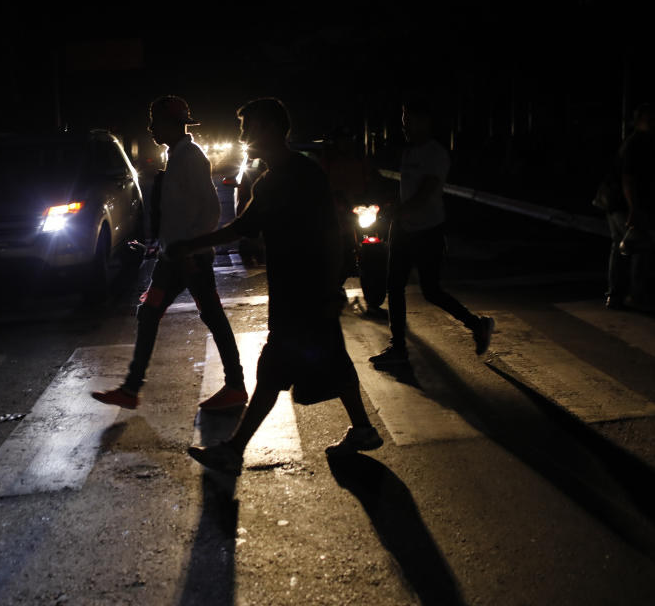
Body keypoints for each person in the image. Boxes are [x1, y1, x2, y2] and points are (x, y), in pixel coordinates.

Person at [171, 97, 383, 477]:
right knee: (332, 359)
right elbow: (249, 228)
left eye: (246, 128)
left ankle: (234, 450)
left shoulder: (294, 176)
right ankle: (364, 429)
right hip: (302, 289)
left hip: (303, 292)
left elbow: (325, 231)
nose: (242, 136)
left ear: (268, 129)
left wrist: (190, 244)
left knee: (273, 370)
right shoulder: (285, 176)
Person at [91, 96, 246, 411]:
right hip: (174, 256)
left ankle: (235, 385)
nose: (150, 128)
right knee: (151, 314)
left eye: (155, 122)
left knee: (209, 315)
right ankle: (132, 388)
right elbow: (180, 212)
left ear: (171, 124)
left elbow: (210, 210)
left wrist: (191, 250)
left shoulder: (190, 158)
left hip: (189, 258)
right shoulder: (177, 156)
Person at [370, 97, 494, 366]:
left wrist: (397, 212)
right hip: (403, 231)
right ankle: (398, 347)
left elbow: (425, 194)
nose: (405, 127)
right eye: (403, 121)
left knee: (431, 291)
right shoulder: (409, 152)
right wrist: (395, 212)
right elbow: (407, 191)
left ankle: (477, 325)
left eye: (410, 121)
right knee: (394, 287)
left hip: (428, 231)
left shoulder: (436, 154)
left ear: (426, 122)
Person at [611, 103, 655, 310]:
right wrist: (634, 208)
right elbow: (628, 179)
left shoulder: (634, 142)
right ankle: (634, 294)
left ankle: (616, 295)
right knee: (639, 247)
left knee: (621, 248)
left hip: (616, 203)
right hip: (624, 204)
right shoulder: (638, 143)